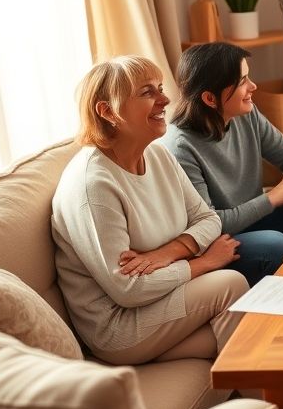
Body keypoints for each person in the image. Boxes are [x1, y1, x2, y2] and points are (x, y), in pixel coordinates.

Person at [51, 56, 247, 365]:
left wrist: (168, 252)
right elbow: (128, 288)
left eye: (160, 88)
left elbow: (207, 218)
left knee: (240, 333)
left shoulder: (158, 155)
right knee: (231, 285)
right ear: (108, 111)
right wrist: (204, 263)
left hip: (158, 300)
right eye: (147, 92)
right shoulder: (94, 186)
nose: (166, 99)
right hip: (119, 325)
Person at [160, 42, 283, 286]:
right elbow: (210, 223)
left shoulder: (245, 114)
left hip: (257, 218)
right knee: (275, 244)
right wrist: (275, 197)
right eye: (242, 81)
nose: (253, 86)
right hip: (222, 241)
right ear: (210, 98)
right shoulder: (180, 147)